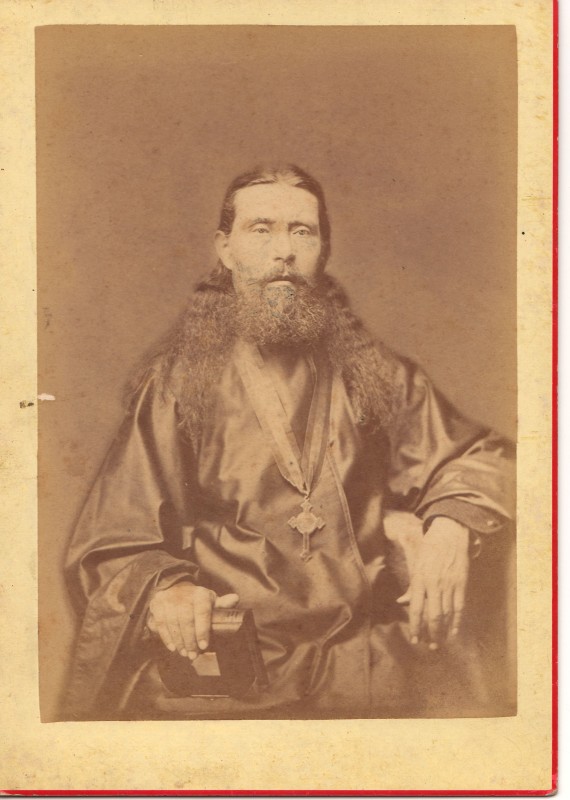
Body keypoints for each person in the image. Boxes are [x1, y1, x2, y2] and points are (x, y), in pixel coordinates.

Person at [64, 165, 515, 721]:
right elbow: (113, 540)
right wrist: (168, 590)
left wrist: (448, 527)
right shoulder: (180, 386)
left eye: (303, 232)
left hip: (363, 664)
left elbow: (480, 457)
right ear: (225, 250)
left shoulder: (370, 372)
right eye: (262, 230)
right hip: (235, 669)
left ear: (323, 252)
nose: (284, 251)